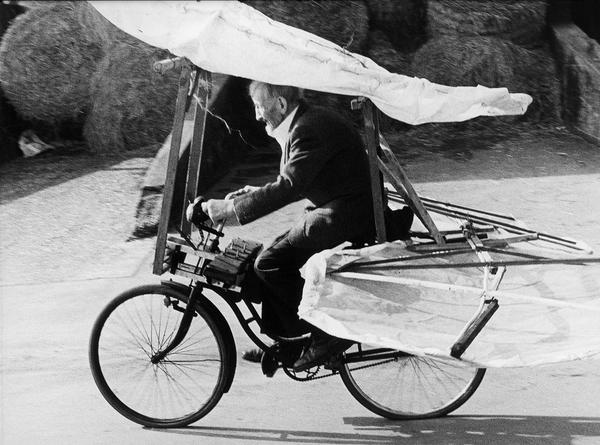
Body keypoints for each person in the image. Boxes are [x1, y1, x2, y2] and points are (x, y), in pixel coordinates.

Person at [187, 81, 407, 373]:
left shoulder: (307, 128)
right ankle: (290, 343)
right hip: (344, 204)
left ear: (279, 104)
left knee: (269, 262)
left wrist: (229, 210)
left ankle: (323, 334)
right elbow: (297, 178)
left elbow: (289, 186)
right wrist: (251, 193)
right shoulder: (305, 121)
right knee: (268, 258)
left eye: (259, 107)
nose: (256, 116)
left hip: (348, 213)